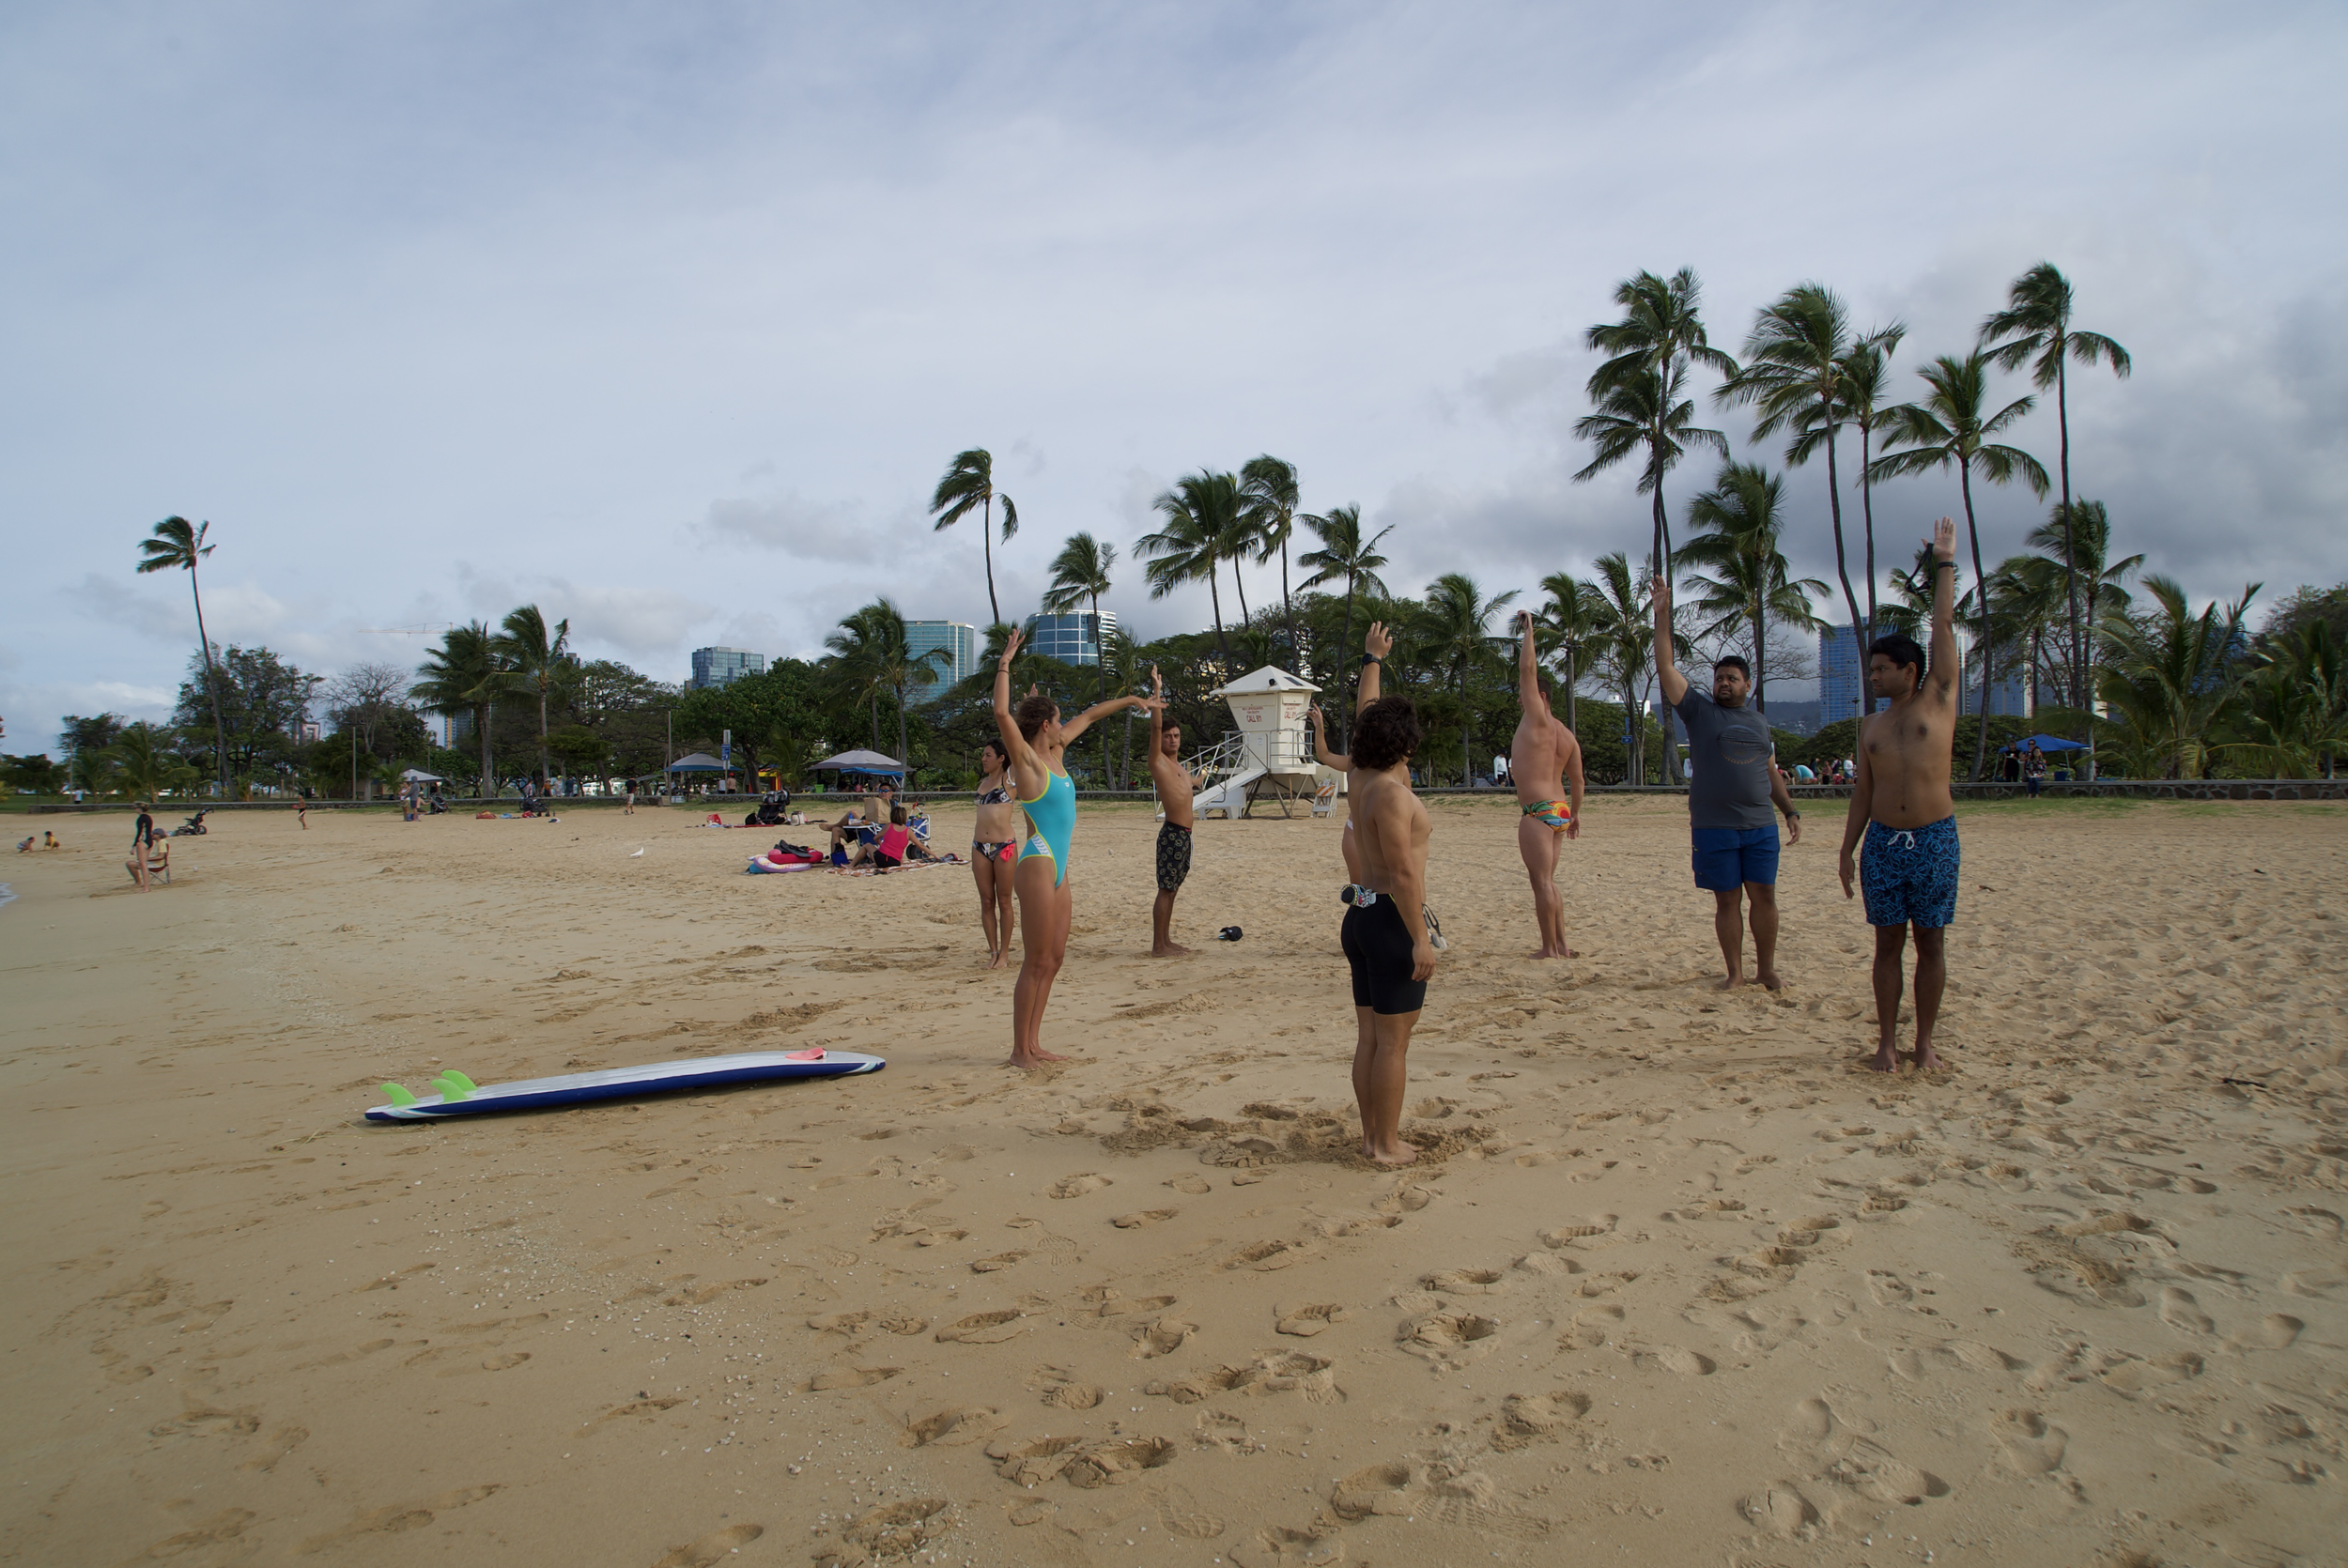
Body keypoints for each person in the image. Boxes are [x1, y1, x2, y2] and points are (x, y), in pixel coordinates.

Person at [992, 628, 1151, 1068]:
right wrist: (1006, 660)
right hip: (1038, 860)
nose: (1064, 724)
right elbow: (1002, 711)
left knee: (1055, 958)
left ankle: (1035, 1043)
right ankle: (1018, 1051)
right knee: (1035, 960)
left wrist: (1134, 701)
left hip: (1060, 867)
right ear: (1045, 724)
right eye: (1058, 719)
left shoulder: (1059, 751)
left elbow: (1093, 714)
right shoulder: (1026, 760)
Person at [1839, 517, 1963, 1074]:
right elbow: (1863, 791)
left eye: (1883, 670)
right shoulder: (1870, 727)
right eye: (1871, 670)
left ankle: (1925, 1043)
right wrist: (1847, 848)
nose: (1874, 677)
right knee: (1886, 944)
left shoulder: (1938, 697)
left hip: (1935, 837)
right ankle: (1887, 1043)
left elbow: (1942, 622)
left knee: (1931, 943)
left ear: (1911, 671)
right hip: (1886, 843)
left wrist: (1943, 563)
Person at [1653, 576, 1803, 991]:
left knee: (1764, 897)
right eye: (1720, 677)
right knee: (1727, 901)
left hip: (1760, 825)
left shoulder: (1759, 721)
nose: (1724, 683)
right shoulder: (1699, 711)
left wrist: (1789, 811)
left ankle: (1766, 969)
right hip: (1714, 825)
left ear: (1747, 685)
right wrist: (1661, 613)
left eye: (1732, 678)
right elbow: (1666, 666)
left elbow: (1769, 771)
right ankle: (1735, 973)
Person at [1341, 622, 1437, 1166]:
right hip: (1389, 921)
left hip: (1360, 914)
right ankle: (1385, 1145)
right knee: (1393, 1042)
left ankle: (1371, 1136)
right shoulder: (1392, 794)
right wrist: (1421, 940)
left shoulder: (1360, 775)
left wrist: (1372, 658)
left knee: (1370, 1039)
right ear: (1405, 743)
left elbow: (1366, 715)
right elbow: (1403, 877)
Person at [1509, 610, 1585, 960]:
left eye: (1525, 695)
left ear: (1540, 696)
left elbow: (1528, 670)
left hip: (1537, 811)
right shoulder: (1567, 735)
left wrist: (1529, 632)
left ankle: (1549, 948)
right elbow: (1578, 780)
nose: (1520, 698)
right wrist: (1576, 815)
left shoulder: (1536, 719)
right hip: (1560, 809)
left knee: (1540, 882)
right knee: (1550, 882)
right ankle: (1563, 944)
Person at [1143, 665, 1207, 957]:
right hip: (1171, 833)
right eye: (1168, 736)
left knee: (1174, 890)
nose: (1172, 739)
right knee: (1166, 890)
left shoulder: (1180, 768)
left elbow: (1187, 785)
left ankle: (1167, 941)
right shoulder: (1158, 762)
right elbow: (1155, 727)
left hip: (1185, 835)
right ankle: (1158, 946)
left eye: (1176, 735)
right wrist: (1157, 693)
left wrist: (1198, 780)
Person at [970, 740, 1021, 969]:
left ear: (1001, 758)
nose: (983, 758)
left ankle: (1004, 954)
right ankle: (992, 950)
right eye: (983, 754)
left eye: (988, 754)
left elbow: (1020, 747)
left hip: (1005, 846)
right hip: (980, 847)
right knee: (986, 901)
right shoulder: (983, 783)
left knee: (1004, 900)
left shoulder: (1009, 780)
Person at [1307, 703, 1362, 885]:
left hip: (1378, 829)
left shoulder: (1395, 768)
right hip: (1355, 829)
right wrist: (1319, 726)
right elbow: (1323, 755)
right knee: (1359, 888)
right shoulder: (1354, 763)